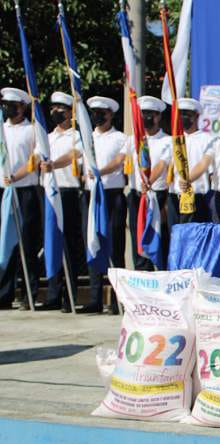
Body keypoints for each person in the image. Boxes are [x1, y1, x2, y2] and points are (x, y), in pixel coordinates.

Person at [77, 95, 128, 314]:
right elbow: (78, 161)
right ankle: (95, 298)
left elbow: (120, 161)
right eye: (94, 112)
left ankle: (118, 300)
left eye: (102, 112)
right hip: (91, 196)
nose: (98, 115)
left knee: (115, 246)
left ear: (111, 114)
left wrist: (100, 171)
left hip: (112, 195)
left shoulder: (120, 138)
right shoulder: (86, 138)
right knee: (92, 243)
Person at [38, 92, 84, 312]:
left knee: (70, 246)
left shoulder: (77, 136)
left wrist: (53, 164)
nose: (56, 112)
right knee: (52, 243)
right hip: (49, 193)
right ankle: (53, 294)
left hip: (69, 194)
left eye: (60, 109)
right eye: (53, 108)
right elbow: (37, 157)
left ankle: (70, 294)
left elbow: (74, 155)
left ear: (69, 113)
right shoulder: (47, 137)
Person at [120, 95, 172, 272]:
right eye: (143, 114)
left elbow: (162, 165)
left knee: (159, 239)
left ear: (158, 117)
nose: (146, 118)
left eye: (150, 114)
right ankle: (143, 279)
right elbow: (120, 160)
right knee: (138, 239)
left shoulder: (167, 141)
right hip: (136, 196)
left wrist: (149, 181)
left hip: (157, 196)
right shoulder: (133, 140)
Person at [0, 87, 41, 310]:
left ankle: (28, 293)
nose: (7, 108)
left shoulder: (32, 130)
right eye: (5, 104)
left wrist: (16, 176)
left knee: (26, 243)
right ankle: (4, 294)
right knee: (4, 244)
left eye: (12, 105)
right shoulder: (1, 129)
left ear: (22, 107)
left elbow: (34, 160)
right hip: (3, 191)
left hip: (24, 190)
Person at [168, 97, 213, 225]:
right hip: (175, 195)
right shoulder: (173, 140)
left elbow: (204, 164)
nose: (183, 117)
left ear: (196, 116)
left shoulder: (207, 140)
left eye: (187, 114)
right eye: (180, 114)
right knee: (175, 237)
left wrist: (188, 179)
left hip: (196, 196)